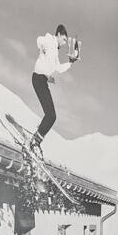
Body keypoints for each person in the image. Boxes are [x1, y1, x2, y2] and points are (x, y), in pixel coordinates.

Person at [31, 22, 81, 151]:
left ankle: (36, 139)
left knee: (51, 115)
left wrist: (70, 63)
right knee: (51, 116)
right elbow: (39, 40)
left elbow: (58, 68)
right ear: (58, 34)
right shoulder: (49, 40)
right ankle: (34, 143)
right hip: (38, 79)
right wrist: (42, 46)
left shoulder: (55, 51)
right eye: (64, 39)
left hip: (42, 80)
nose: (64, 43)